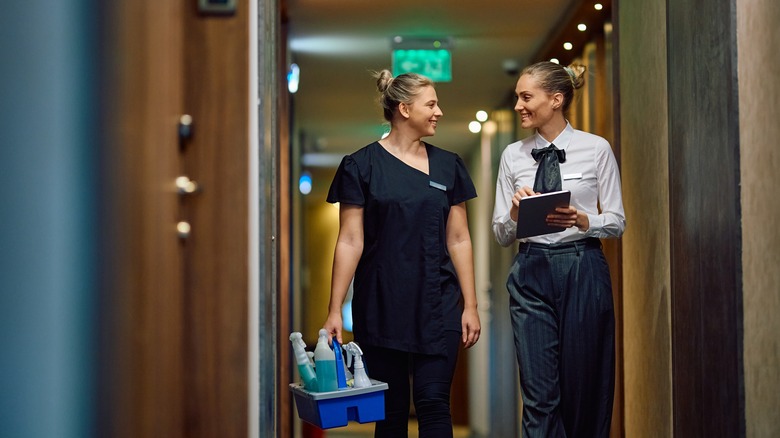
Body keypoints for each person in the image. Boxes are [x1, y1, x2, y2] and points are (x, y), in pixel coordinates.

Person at [324, 69, 481, 437]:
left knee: (433, 401)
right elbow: (349, 240)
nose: (439, 111)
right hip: (382, 302)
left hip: (439, 301)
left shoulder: (448, 164)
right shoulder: (361, 165)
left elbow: (458, 238)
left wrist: (470, 305)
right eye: (432, 104)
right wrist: (334, 309)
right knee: (390, 411)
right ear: (405, 109)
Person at [491, 61, 626, 437]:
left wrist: (584, 220)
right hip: (530, 272)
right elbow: (501, 233)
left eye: (526, 96)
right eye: (518, 96)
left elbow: (617, 220)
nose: (518, 104)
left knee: (584, 388)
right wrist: (516, 214)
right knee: (538, 395)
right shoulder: (512, 156)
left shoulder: (595, 148)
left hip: (583, 267)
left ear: (556, 99)